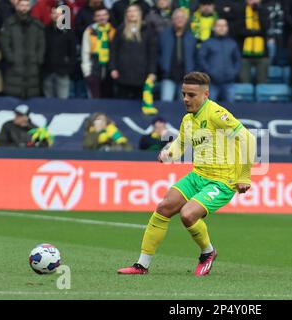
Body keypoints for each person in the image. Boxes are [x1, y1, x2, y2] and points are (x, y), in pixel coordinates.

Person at [117, 71, 256, 276]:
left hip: (222, 181)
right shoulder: (188, 120)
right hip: (198, 176)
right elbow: (181, 143)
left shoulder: (217, 114)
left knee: (188, 214)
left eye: (191, 95)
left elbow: (248, 139)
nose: (185, 99)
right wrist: (169, 154)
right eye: (183, 94)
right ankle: (141, 265)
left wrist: (244, 176)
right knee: (164, 207)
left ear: (205, 94)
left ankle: (207, 252)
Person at [109, 4, 157, 99]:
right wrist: (113, 68)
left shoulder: (147, 30)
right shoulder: (120, 29)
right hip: (123, 75)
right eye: (129, 11)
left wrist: (152, 72)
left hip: (142, 76)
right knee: (122, 105)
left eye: (134, 11)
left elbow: (152, 53)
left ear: (139, 14)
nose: (131, 13)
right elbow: (113, 50)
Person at [0, 0, 45, 99]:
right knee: (12, 101)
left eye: (26, 5)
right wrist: (11, 58)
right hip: (14, 68)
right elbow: (4, 43)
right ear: (16, 7)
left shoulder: (37, 25)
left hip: (33, 68)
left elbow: (41, 44)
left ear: (30, 7)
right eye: (21, 5)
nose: (24, 8)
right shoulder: (9, 24)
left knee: (33, 102)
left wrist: (38, 59)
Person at [197, 18, 241, 102]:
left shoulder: (232, 43)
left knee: (230, 110)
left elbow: (237, 60)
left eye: (224, 25)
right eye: (219, 25)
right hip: (212, 83)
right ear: (213, 28)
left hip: (229, 82)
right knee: (211, 109)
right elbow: (201, 60)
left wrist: (233, 73)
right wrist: (211, 73)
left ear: (227, 28)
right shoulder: (207, 43)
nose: (222, 28)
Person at [159, 8, 196, 101]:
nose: (180, 20)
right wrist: (163, 67)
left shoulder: (191, 37)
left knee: (185, 106)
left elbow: (195, 57)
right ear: (173, 19)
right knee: (166, 104)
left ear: (186, 20)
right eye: (177, 17)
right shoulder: (164, 35)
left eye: (182, 17)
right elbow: (158, 54)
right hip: (168, 76)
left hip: (186, 78)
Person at [81, 6, 116, 98]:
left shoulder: (113, 31)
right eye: (99, 15)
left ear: (108, 16)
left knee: (109, 98)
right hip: (94, 68)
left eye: (104, 15)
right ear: (94, 18)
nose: (102, 17)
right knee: (95, 98)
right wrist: (87, 72)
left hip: (110, 69)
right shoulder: (89, 31)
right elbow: (85, 52)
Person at [43, 6, 77, 99]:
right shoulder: (45, 30)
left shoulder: (69, 32)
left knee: (63, 101)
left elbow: (73, 54)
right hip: (47, 71)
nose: (57, 16)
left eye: (60, 13)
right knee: (48, 101)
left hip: (63, 73)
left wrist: (68, 69)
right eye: (54, 13)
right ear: (50, 15)